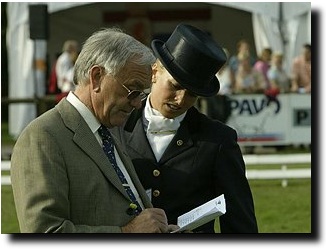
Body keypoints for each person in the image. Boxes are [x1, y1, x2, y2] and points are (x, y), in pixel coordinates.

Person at [11, 27, 178, 233]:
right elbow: (45, 232)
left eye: (142, 94)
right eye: (132, 91)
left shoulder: (110, 127)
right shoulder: (42, 137)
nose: (137, 104)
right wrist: (127, 233)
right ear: (97, 77)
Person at [111, 24, 258, 233]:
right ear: (154, 72)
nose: (180, 100)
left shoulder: (218, 140)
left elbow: (240, 225)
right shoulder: (114, 128)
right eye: (176, 86)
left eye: (192, 94)